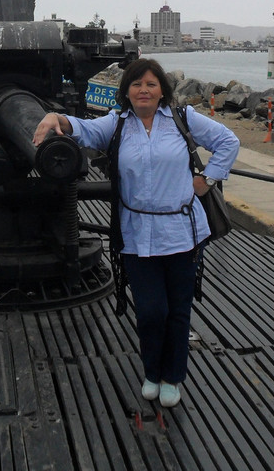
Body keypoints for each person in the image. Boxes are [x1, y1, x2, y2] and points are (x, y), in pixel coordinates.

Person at [32, 57, 239, 408]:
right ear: (126, 91)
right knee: (150, 310)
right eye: (137, 84)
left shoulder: (182, 119)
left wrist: (207, 179)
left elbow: (228, 141)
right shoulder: (116, 125)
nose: (144, 90)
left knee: (178, 310)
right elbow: (80, 127)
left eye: (151, 84)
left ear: (162, 91)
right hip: (137, 233)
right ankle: (150, 371)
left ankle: (172, 377)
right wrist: (57, 118)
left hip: (182, 232)